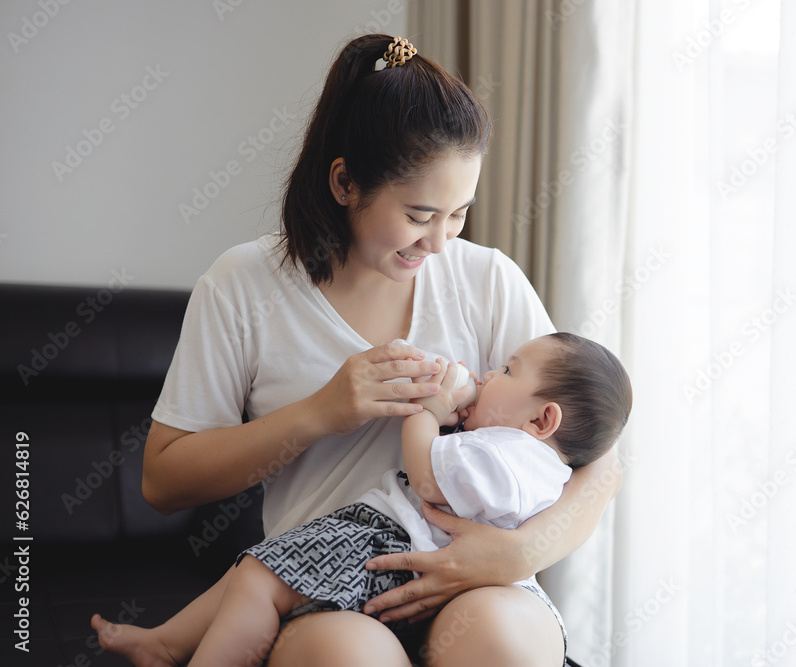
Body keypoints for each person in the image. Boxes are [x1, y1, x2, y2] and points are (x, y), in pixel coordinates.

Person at [132, 33, 624, 667]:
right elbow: (162, 480)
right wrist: (319, 413)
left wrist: (518, 554)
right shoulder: (242, 286)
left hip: (477, 582)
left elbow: (600, 462)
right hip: (323, 589)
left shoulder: (488, 279)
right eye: (420, 215)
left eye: (459, 214)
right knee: (348, 657)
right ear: (345, 183)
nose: (441, 243)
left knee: (497, 639)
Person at [91, 332, 633, 667]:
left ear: (543, 420)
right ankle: (166, 644)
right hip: (407, 561)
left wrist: (430, 410)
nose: (491, 373)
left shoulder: (508, 455)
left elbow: (425, 480)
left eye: (508, 371)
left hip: (387, 546)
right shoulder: (537, 463)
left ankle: (177, 651)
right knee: (261, 572)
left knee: (260, 576)